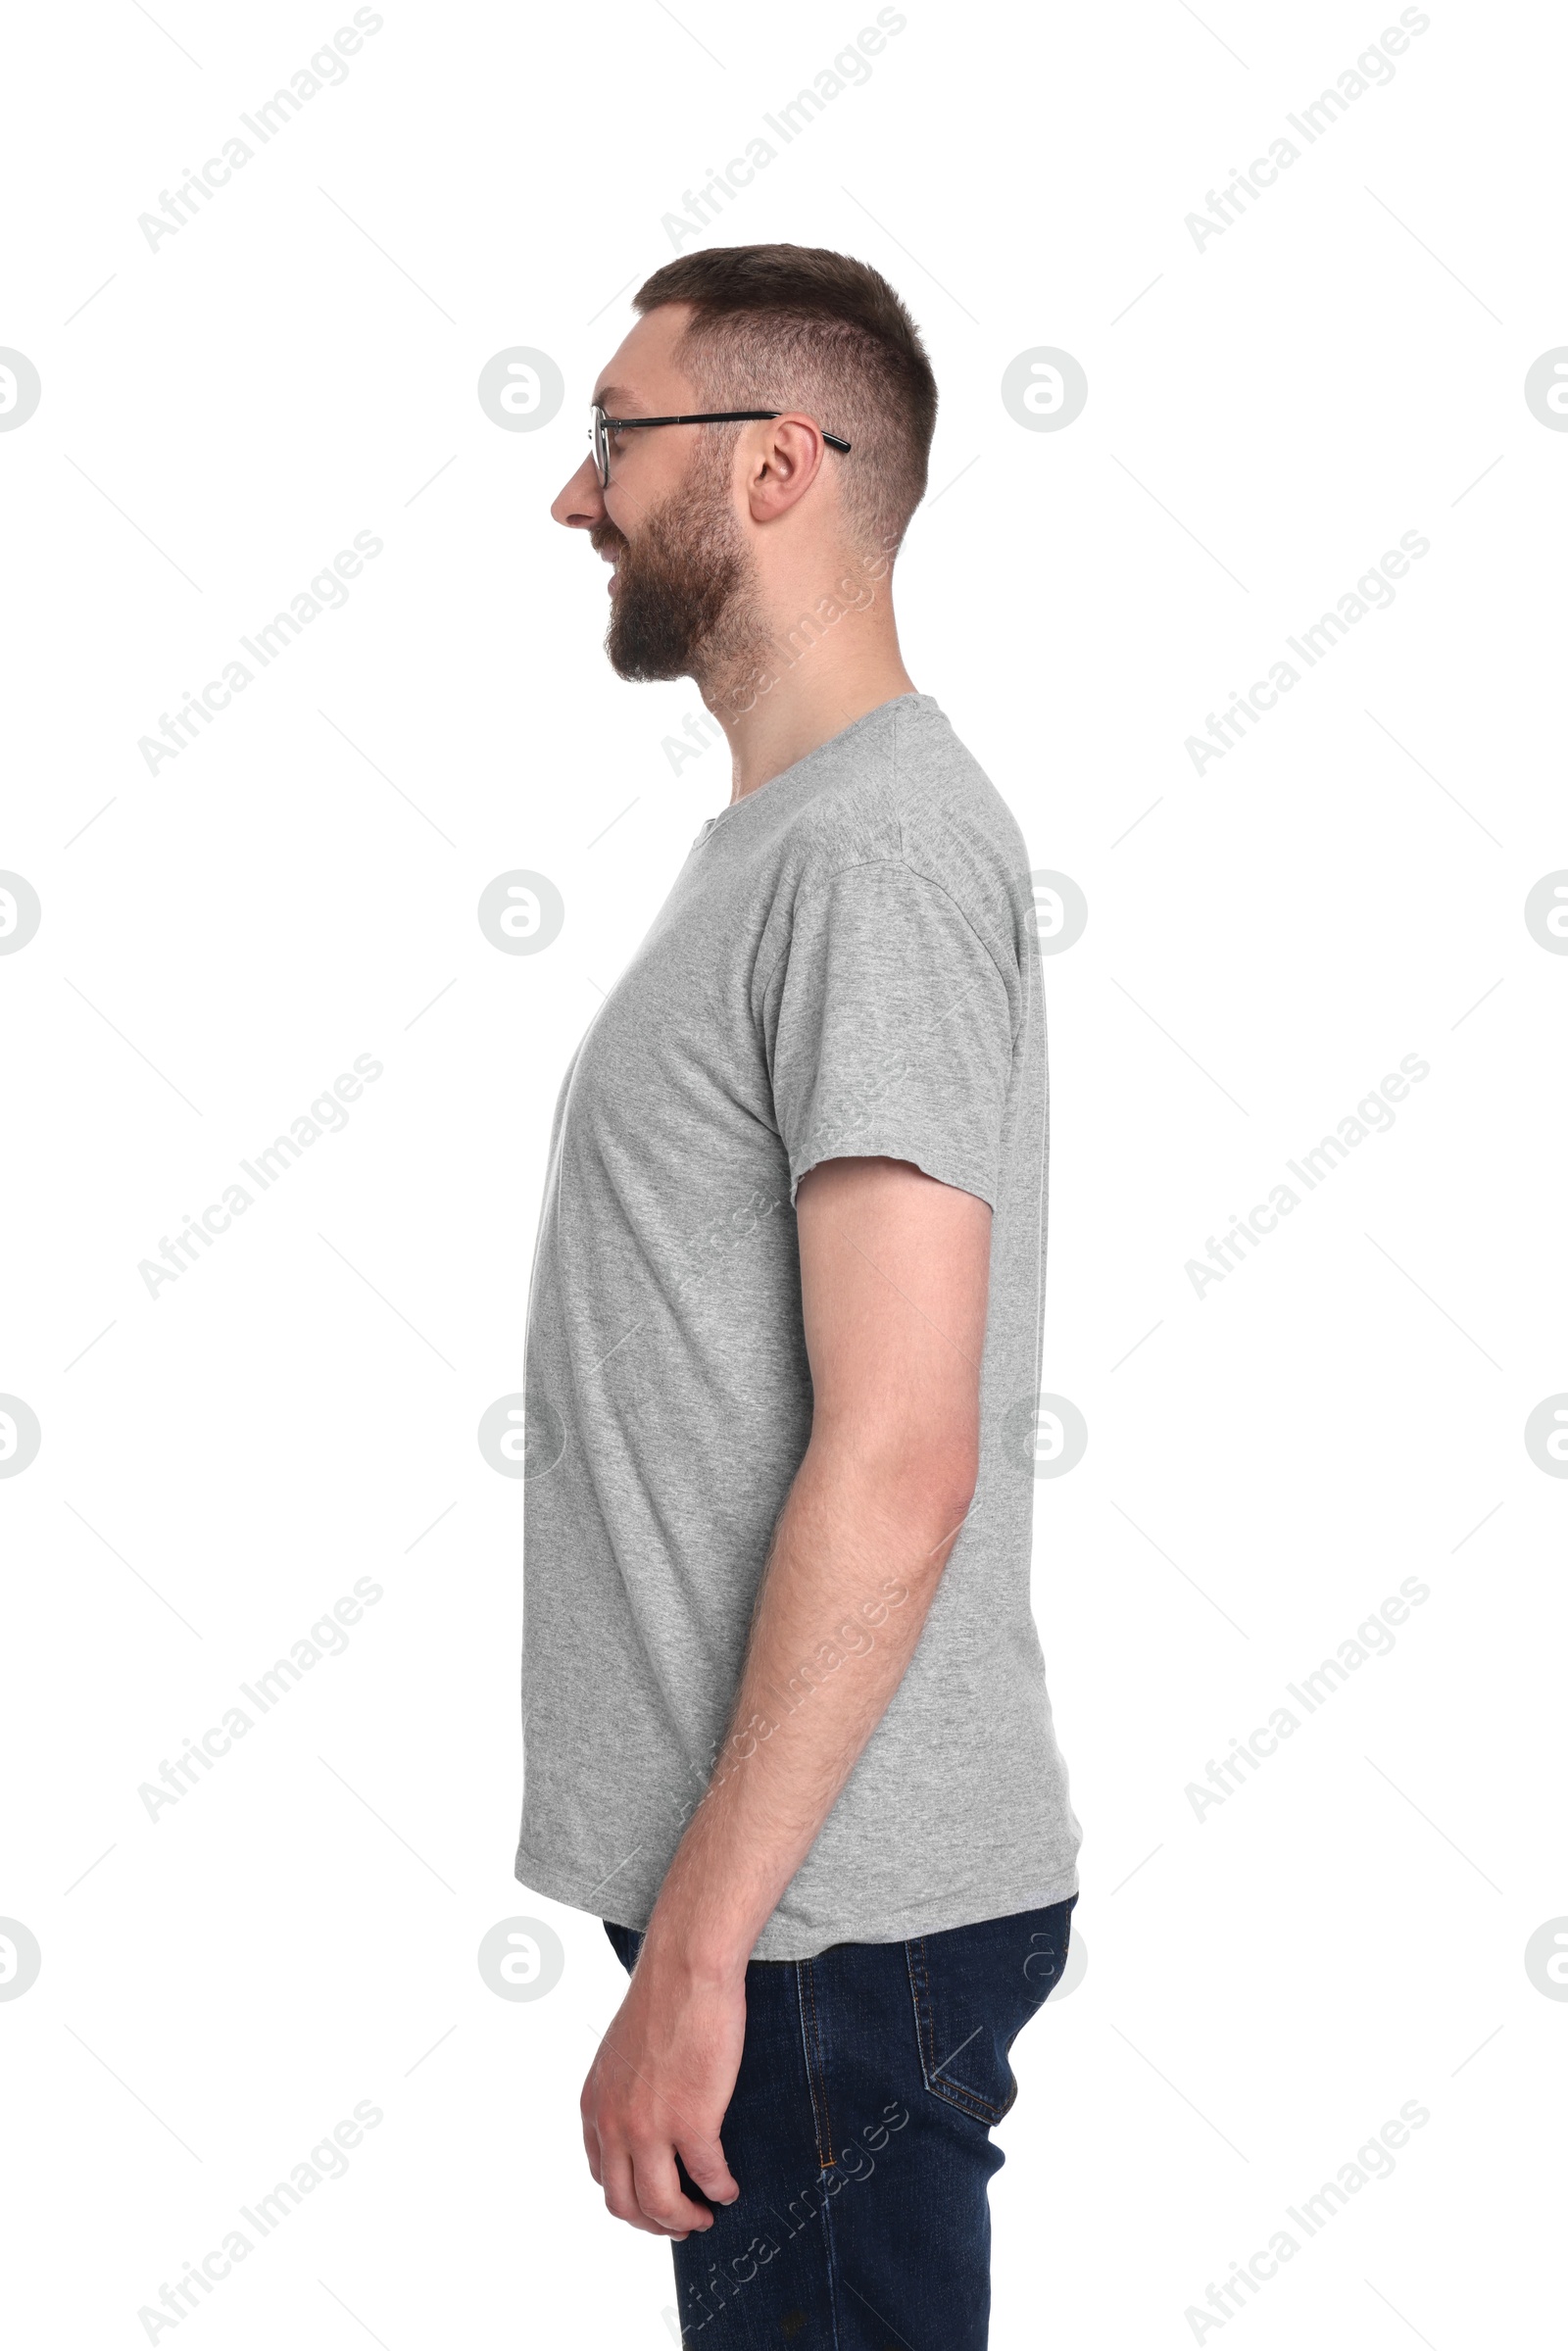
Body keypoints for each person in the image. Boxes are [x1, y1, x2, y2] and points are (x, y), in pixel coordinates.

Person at [516, 243, 1081, 2347]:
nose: (573, 500)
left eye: (610, 438)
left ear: (773, 465)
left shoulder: (869, 856)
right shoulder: (788, 842)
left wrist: (700, 1954)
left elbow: (900, 1449)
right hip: (788, 1920)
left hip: (824, 1939)